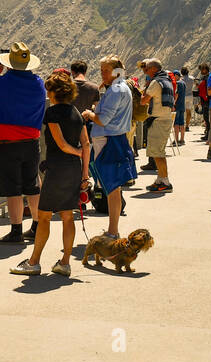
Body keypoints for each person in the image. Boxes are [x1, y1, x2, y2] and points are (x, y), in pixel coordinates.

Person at [10, 71, 90, 277]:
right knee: (67, 217)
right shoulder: (77, 113)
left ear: (53, 93)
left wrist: (75, 151)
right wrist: (84, 174)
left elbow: (62, 143)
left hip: (56, 170)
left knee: (44, 217)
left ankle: (34, 262)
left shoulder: (52, 113)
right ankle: (64, 263)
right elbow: (87, 144)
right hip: (73, 170)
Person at [0, 42, 47, 243]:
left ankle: (16, 230)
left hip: (8, 144)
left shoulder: (0, 83)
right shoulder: (38, 83)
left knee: (13, 189)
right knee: (33, 185)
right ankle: (37, 225)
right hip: (31, 142)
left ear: (8, 63)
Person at [81, 56, 136, 238]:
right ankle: (113, 229)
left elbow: (103, 120)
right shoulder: (121, 87)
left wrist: (90, 114)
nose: (103, 73)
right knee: (113, 189)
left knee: (112, 189)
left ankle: (113, 231)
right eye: (102, 70)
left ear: (115, 71)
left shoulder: (116, 90)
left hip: (108, 141)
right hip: (114, 139)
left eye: (106, 70)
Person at [139, 58, 175, 192]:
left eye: (147, 69)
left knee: (158, 153)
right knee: (158, 151)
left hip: (158, 120)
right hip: (164, 118)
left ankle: (165, 181)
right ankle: (160, 179)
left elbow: (144, 101)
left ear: (154, 69)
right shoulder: (167, 80)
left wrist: (141, 92)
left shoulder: (156, 82)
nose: (145, 71)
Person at [174, 64, 190, 145]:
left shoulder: (177, 83)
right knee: (182, 123)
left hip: (177, 106)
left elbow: (176, 95)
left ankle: (176, 140)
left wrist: (173, 104)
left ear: (176, 75)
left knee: (176, 123)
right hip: (182, 106)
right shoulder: (183, 83)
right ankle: (182, 139)